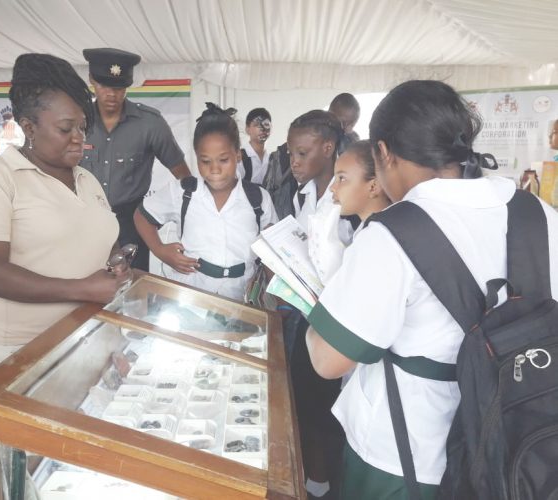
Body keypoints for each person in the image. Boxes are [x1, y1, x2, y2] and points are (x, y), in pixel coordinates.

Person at [305, 80, 558, 499]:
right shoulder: (540, 215)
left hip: (405, 462)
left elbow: (329, 361)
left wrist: (319, 300)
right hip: (519, 446)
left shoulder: (392, 233)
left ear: (383, 153)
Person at [0, 53, 130, 371]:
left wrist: (115, 266)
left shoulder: (86, 178)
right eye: (66, 129)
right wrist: (82, 289)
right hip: (29, 350)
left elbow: (104, 242)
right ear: (28, 127)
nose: (80, 137)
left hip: (93, 331)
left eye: (82, 126)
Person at [133, 103, 277, 301]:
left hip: (240, 296)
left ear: (238, 155)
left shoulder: (259, 198)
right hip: (190, 294)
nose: (215, 169)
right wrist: (160, 250)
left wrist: (278, 298)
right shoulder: (184, 191)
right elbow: (142, 216)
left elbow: (271, 252)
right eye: (205, 161)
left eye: (223, 160)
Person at [81, 48, 191, 272]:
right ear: (91, 80)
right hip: (83, 219)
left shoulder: (150, 124)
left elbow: (184, 177)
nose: (112, 94)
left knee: (133, 292)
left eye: (119, 88)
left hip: (131, 224)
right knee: (82, 285)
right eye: (104, 85)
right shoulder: (78, 121)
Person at [286, 109, 349, 499]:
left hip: (336, 321)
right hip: (305, 313)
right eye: (291, 153)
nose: (294, 162)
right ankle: (310, 478)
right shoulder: (304, 193)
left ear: (328, 149)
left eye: (302, 153)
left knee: (326, 408)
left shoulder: (347, 199)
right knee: (303, 400)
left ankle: (324, 483)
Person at [237, 107, 272, 184]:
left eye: (266, 124)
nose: (262, 129)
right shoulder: (239, 158)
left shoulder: (272, 159)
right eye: (257, 125)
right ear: (247, 129)